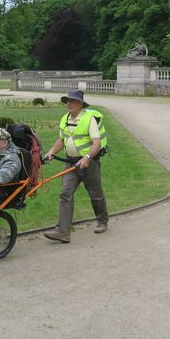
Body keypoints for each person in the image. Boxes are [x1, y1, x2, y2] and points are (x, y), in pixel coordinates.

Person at [43, 90, 109, 243]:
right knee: (65, 193)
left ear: (80, 103)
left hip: (88, 163)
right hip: (70, 162)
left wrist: (87, 158)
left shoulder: (89, 119)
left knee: (95, 194)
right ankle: (63, 232)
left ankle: (102, 220)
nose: (68, 104)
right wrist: (51, 151)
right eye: (67, 101)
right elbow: (62, 139)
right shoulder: (65, 118)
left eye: (72, 101)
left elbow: (97, 143)